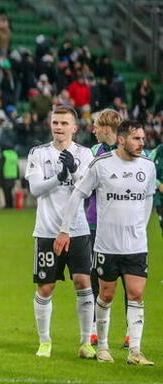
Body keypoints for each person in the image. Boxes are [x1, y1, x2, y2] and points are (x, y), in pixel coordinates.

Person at [54, 120, 156, 366]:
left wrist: (140, 228)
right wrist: (65, 230)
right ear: (121, 140)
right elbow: (78, 193)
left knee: (137, 294)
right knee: (107, 295)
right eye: (136, 139)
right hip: (106, 245)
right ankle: (102, 346)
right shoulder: (101, 164)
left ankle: (135, 351)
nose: (142, 143)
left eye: (143, 138)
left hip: (136, 245)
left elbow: (148, 199)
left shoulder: (148, 166)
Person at [24, 106, 95, 359]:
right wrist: (59, 176)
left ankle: (86, 342)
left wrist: (74, 170)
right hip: (46, 230)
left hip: (78, 230)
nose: (59, 127)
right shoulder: (38, 153)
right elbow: (35, 189)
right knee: (45, 287)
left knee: (83, 282)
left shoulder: (85, 154)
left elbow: (86, 189)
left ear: (74, 128)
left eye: (64, 123)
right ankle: (44, 341)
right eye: (55, 122)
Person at [87, 109, 123, 347]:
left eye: (96, 126)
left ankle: (132, 334)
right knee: (94, 276)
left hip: (120, 225)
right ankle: (93, 329)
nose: (93, 130)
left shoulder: (127, 153)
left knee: (129, 278)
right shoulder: (93, 152)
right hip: (92, 222)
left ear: (107, 129)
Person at [0, 143, 20, 208]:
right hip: (13, 176)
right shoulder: (15, 154)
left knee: (6, 191)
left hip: (6, 175)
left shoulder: (4, 154)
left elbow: (0, 166)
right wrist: (18, 176)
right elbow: (17, 166)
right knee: (10, 191)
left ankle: (7, 205)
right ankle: (11, 204)